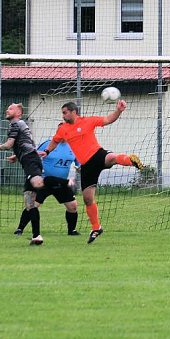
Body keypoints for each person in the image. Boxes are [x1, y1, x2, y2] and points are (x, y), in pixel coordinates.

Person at [39, 100, 142, 244]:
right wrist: (47, 151)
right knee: (88, 199)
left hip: (97, 155)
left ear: (73, 112)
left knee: (111, 158)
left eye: (65, 113)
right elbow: (55, 141)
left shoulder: (88, 121)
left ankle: (131, 161)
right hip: (86, 166)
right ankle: (96, 228)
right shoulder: (63, 129)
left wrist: (118, 110)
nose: (63, 116)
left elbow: (108, 119)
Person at [0, 103, 45, 245]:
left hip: (31, 162)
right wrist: (17, 156)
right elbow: (28, 144)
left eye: (11, 108)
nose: (7, 110)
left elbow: (10, 144)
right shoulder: (21, 125)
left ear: (19, 113)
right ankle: (37, 236)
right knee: (30, 204)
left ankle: (53, 184)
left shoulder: (16, 124)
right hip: (30, 161)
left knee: (35, 190)